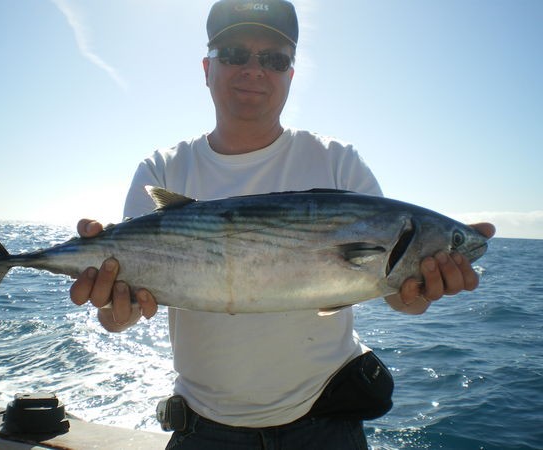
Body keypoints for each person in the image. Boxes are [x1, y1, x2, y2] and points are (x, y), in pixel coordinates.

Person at [70, 1, 496, 448]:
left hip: (325, 422)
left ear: (291, 74)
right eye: (234, 53)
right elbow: (122, 312)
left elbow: (399, 298)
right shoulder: (163, 169)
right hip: (204, 428)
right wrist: (114, 308)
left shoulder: (338, 161)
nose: (254, 70)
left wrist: (421, 291)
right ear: (207, 68)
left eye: (274, 59)